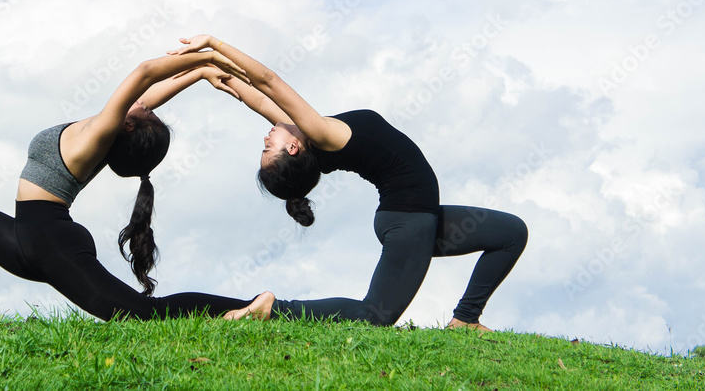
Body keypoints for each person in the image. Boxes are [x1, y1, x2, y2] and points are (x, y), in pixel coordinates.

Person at [170, 34, 528, 331]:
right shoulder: (319, 132)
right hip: (407, 220)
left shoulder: (308, 136)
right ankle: (276, 309)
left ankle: (465, 319)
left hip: (419, 218)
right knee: (375, 316)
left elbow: (258, 98)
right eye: (268, 147)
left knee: (511, 233)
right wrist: (213, 44)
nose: (266, 137)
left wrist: (206, 70)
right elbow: (269, 82)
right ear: (293, 148)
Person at [0, 50, 256, 321]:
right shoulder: (110, 135)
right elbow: (148, 95)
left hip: (50, 243)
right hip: (27, 237)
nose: (146, 105)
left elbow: (145, 74)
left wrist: (211, 54)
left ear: (127, 124)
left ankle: (248, 308)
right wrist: (199, 72)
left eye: (147, 112)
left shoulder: (100, 135)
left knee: (145, 313)